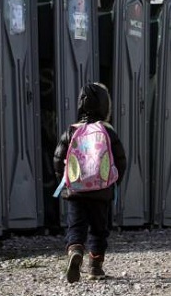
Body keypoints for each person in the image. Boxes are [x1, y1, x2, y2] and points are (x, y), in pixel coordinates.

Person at [53, 82, 127, 282]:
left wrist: (66, 183)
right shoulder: (108, 131)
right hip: (101, 192)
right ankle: (95, 266)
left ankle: (75, 250)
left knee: (75, 227)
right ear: (105, 106)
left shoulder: (71, 131)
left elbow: (58, 159)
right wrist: (112, 183)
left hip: (76, 191)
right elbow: (120, 160)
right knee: (98, 230)